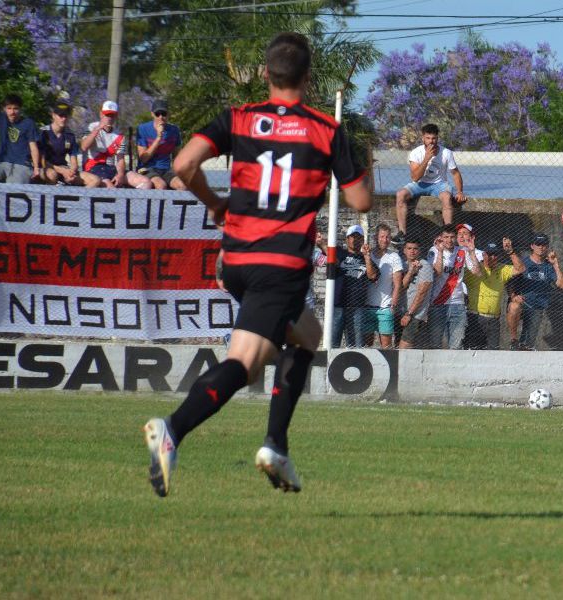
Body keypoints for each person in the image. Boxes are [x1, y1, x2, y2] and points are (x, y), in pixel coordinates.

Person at [142, 32, 371, 497]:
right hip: (279, 263)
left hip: (236, 261)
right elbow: (361, 200)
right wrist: (353, 158)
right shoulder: (325, 129)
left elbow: (183, 164)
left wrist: (216, 203)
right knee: (244, 364)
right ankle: (173, 428)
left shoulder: (239, 119)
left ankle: (277, 444)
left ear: (266, 74)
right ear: (308, 78)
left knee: (306, 336)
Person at [394, 123, 466, 244]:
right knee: (400, 194)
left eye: (433, 138)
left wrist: (459, 192)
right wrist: (427, 158)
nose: (431, 141)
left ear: (437, 138)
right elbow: (415, 177)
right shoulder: (416, 153)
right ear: (423, 138)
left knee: (447, 197)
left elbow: (455, 173)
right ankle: (402, 233)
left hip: (439, 184)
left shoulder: (446, 153)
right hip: (420, 184)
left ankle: (448, 232)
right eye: (428, 138)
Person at [0, 60, 40, 184]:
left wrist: (37, 168)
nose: (12, 112)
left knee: (12, 190)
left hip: (22, 165)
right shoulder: (2, 120)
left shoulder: (28, 123)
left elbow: (33, 147)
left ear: (20, 109)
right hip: (2, 163)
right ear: (4, 109)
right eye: (9, 108)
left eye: (16, 108)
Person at [507, 233, 563, 351]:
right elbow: (509, 282)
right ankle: (513, 340)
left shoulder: (548, 266)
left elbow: (562, 284)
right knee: (513, 307)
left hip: (537, 307)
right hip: (522, 304)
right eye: (538, 244)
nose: (541, 247)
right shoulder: (522, 262)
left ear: (547, 246)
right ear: (532, 246)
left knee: (527, 347)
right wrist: (514, 296)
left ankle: (522, 348)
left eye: (544, 244)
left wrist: (555, 264)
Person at [463, 237, 525, 350]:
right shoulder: (475, 269)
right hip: (475, 318)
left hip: (494, 320)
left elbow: (520, 269)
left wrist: (510, 252)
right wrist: (472, 251)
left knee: (493, 353)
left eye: (496, 254)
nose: (493, 257)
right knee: (472, 352)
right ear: (484, 255)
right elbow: (477, 272)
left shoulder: (501, 268)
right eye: (490, 254)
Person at [427, 223, 481, 349]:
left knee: (456, 345)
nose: (449, 240)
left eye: (452, 237)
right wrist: (440, 251)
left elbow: (477, 272)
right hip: (438, 303)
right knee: (436, 344)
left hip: (458, 304)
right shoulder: (433, 250)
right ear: (441, 237)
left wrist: (472, 252)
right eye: (446, 237)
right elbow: (437, 272)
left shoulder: (462, 251)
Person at [324, 224, 378, 348]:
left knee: (356, 345)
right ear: (347, 239)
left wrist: (367, 256)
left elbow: (373, 276)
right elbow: (331, 257)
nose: (355, 240)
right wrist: (321, 243)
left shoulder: (366, 258)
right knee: (332, 343)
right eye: (352, 237)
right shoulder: (340, 253)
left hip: (357, 307)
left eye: (358, 237)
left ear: (363, 240)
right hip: (337, 305)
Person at [80, 101, 151, 189]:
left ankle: (133, 202)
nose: (109, 118)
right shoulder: (91, 127)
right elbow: (84, 146)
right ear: (101, 114)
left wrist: (120, 175)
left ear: (116, 116)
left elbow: (120, 159)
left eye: (112, 115)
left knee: (146, 182)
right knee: (112, 189)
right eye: (107, 114)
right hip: (93, 167)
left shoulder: (119, 135)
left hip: (111, 168)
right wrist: (97, 129)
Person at [365, 223, 403, 348]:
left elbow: (398, 284)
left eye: (387, 237)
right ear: (376, 237)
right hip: (367, 306)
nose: (385, 240)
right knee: (367, 344)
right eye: (382, 236)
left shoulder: (394, 257)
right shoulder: (368, 255)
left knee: (386, 346)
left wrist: (394, 304)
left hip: (385, 307)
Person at [136, 99, 186, 190]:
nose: (161, 117)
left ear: (168, 114)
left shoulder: (174, 130)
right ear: (152, 114)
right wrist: (158, 138)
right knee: (161, 185)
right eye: (157, 114)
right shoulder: (143, 129)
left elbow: (176, 156)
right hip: (147, 168)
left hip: (166, 169)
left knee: (182, 185)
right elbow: (143, 158)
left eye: (164, 114)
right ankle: (155, 205)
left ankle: (172, 205)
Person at [396, 238, 433, 349]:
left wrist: (409, 314)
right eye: (409, 248)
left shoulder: (425, 266)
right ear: (404, 250)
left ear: (419, 251)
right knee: (398, 347)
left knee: (404, 348)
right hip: (401, 312)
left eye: (415, 249)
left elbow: (422, 292)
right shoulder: (403, 265)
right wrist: (411, 272)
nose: (412, 251)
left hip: (414, 314)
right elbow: (401, 288)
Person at [38, 98, 82, 186]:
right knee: (52, 175)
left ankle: (76, 198)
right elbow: (41, 161)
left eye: (66, 116)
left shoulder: (70, 135)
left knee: (94, 180)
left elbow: (73, 159)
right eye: (60, 116)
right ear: (53, 115)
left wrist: (72, 171)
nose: (64, 119)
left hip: (64, 167)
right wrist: (62, 171)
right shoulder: (43, 133)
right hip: (46, 168)